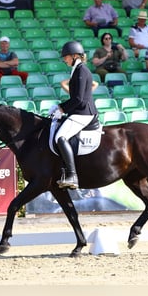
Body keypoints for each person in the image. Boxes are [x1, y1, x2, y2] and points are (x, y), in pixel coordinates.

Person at [48, 41, 99, 189]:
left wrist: (61, 109)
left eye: (66, 57)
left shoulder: (81, 71)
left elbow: (78, 99)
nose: (65, 59)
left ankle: (72, 175)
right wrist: (60, 107)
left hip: (84, 113)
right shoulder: (77, 69)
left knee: (60, 137)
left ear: (75, 56)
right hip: (79, 111)